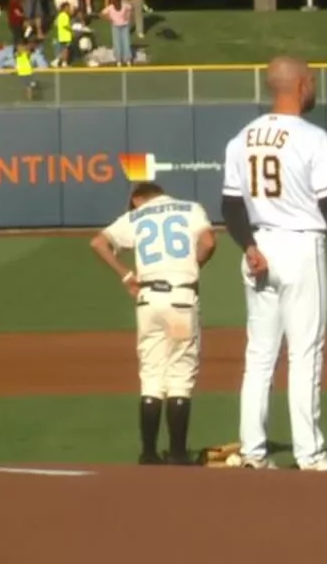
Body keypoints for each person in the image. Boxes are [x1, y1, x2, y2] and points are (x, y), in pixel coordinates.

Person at [220, 56, 327, 472]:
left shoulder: (241, 138)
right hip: (299, 246)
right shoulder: (313, 137)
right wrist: (302, 216)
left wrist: (250, 246)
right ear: (301, 85)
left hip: (257, 247)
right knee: (305, 352)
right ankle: (309, 453)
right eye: (311, 80)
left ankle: (253, 452)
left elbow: (231, 206)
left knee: (259, 355)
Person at [89, 182, 217, 465]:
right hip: (180, 301)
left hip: (148, 301)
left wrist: (125, 275)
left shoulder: (136, 216)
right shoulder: (191, 208)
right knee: (180, 372)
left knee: (151, 373)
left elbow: (98, 242)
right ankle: (178, 453)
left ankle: (148, 453)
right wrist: (191, 267)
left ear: (138, 199)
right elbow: (208, 242)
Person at [102, 0, 134, 66]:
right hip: (115, 27)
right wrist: (109, 19)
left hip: (124, 27)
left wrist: (128, 16)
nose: (116, 5)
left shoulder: (125, 6)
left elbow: (131, 8)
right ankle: (118, 59)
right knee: (117, 43)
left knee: (126, 42)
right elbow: (102, 13)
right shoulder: (110, 8)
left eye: (117, 3)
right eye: (114, 3)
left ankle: (127, 59)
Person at [53, 2, 73, 67]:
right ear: (64, 8)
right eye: (68, 8)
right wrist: (71, 29)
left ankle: (59, 61)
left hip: (61, 35)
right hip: (65, 36)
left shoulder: (59, 16)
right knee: (65, 50)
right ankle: (62, 62)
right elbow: (65, 25)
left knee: (64, 49)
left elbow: (56, 24)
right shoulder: (64, 15)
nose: (69, 9)